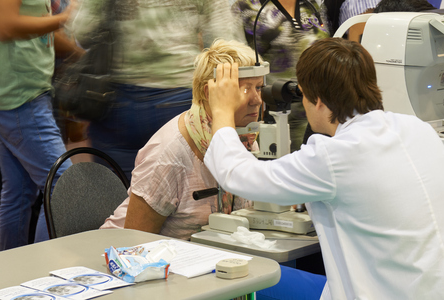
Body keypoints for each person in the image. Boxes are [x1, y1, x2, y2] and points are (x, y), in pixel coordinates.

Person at [205, 37, 444, 299]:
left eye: (304, 96)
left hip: (378, 292)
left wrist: (222, 111)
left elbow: (236, 174)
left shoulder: (335, 156)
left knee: (241, 278)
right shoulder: (419, 129)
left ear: (317, 100)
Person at [101, 38, 327, 299]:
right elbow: (134, 247)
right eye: (243, 90)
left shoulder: (243, 136)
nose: (257, 101)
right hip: (161, 276)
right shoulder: (169, 155)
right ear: (212, 95)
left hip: (218, 265)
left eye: (259, 88)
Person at [70, 0, 245, 182]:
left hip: (116, 104)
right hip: (181, 99)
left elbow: (83, 29)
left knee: (120, 198)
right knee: (187, 197)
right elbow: (226, 43)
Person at [0, 0, 77, 250]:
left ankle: (9, 274)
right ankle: (40, 274)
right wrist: (65, 17)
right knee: (64, 185)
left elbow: (35, 29)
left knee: (18, 192)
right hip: (21, 97)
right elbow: (5, 26)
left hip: (20, 95)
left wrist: (81, 53)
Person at [232, 0, 329, 152]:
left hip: (319, 112)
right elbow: (238, 62)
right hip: (274, 116)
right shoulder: (248, 7)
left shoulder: (311, 4)